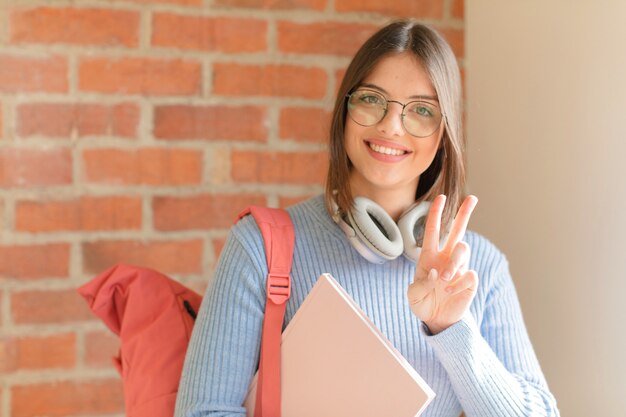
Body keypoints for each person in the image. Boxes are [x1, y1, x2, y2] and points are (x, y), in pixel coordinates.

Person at [174, 20, 560, 417]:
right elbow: (203, 411)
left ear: (443, 135)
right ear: (345, 110)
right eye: (372, 99)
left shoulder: (480, 267)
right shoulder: (261, 245)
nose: (391, 126)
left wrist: (451, 329)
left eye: (422, 110)